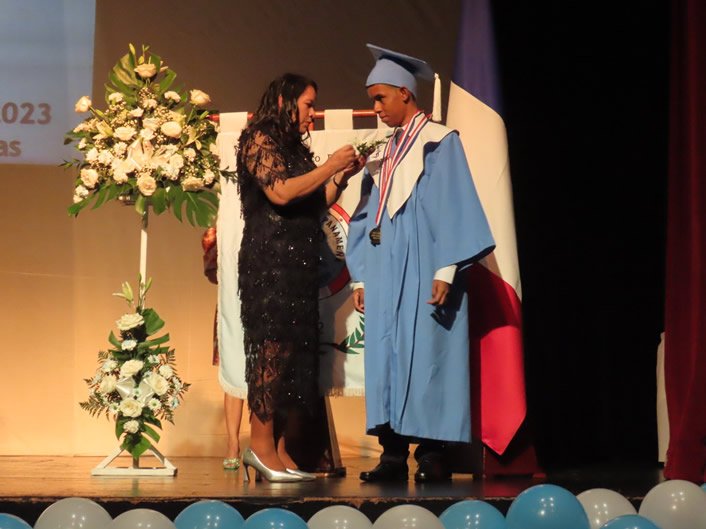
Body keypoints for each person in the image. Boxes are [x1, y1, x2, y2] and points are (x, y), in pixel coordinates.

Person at [345, 45, 496, 483]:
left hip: (427, 266)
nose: (376, 108)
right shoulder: (383, 153)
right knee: (386, 355)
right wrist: (361, 276)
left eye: (380, 98)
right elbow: (365, 216)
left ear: (405, 94)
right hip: (384, 271)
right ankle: (392, 454)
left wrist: (446, 269)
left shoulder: (439, 143)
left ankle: (432, 453)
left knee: (430, 353)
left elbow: (455, 206)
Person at [236, 73, 362, 483]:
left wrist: (340, 177)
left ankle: (279, 448)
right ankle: (259, 445)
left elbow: (316, 201)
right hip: (270, 262)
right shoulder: (259, 138)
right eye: (309, 104)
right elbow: (281, 193)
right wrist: (330, 165)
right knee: (271, 351)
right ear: (285, 101)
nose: (313, 113)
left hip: (299, 264)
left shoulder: (292, 147)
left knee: (292, 357)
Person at [201, 227, 244, 472]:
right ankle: (233, 444)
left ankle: (265, 445)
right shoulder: (222, 227)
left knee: (266, 373)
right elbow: (211, 272)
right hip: (232, 302)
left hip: (266, 300)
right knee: (233, 375)